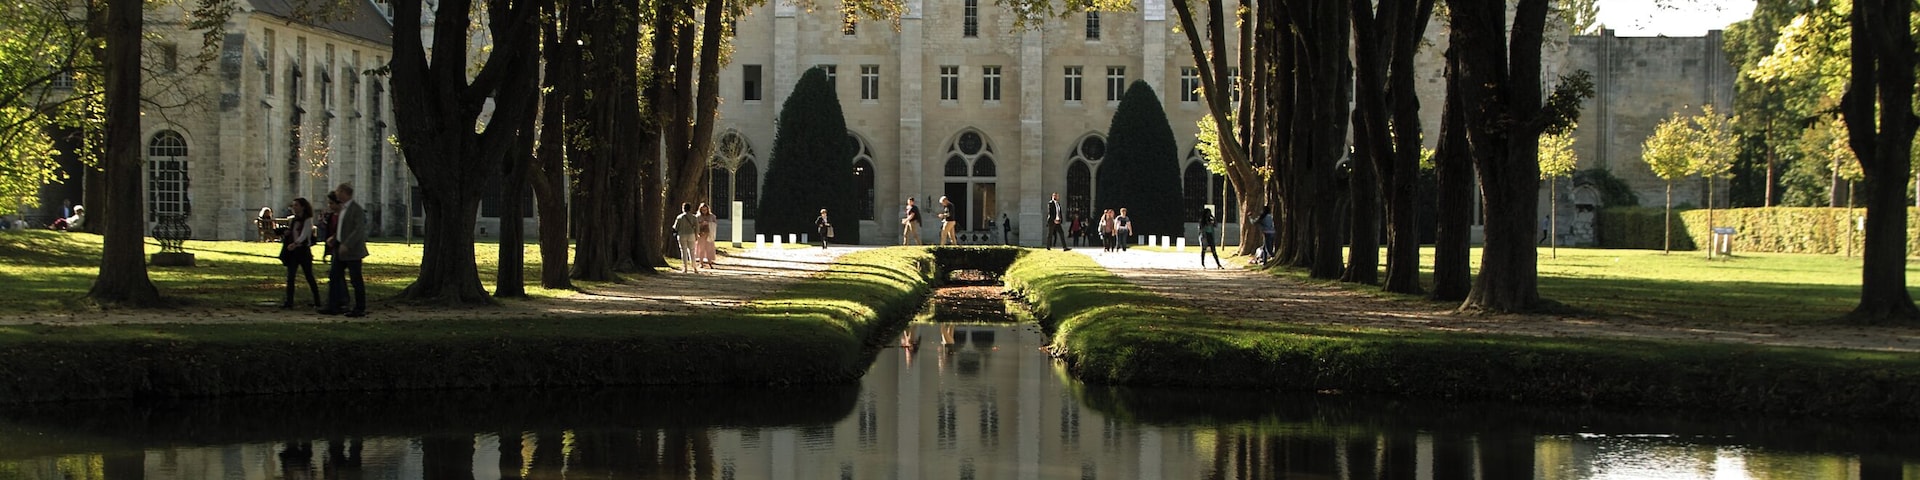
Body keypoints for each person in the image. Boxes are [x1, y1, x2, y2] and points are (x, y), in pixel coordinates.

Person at [319, 183, 368, 317]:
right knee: (334, 276)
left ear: (345, 193)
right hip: (339, 248)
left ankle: (360, 308)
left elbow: (358, 230)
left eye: (338, 191)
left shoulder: (356, 209)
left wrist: (347, 244)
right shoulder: (343, 209)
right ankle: (333, 306)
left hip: (353, 251)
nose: (336, 194)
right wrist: (334, 238)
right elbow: (342, 228)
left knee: (356, 279)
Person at [279, 198, 323, 308]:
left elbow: (304, 235)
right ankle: (289, 302)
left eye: (296, 205)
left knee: (309, 276)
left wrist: (295, 244)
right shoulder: (293, 220)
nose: (294, 207)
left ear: (303, 207)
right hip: (293, 252)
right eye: (293, 205)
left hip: (303, 251)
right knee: (290, 276)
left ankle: (317, 301)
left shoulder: (308, 220)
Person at [672, 202, 701, 273]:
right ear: (690, 208)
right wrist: (696, 235)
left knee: (683, 251)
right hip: (691, 235)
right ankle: (694, 267)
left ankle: (685, 268)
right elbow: (697, 227)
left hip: (682, 235)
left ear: (683, 208)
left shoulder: (679, 217)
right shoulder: (694, 217)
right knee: (692, 251)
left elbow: (675, 227)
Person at [696, 203, 719, 269]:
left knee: (709, 249)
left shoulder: (712, 216)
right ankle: (701, 263)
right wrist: (701, 224)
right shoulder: (698, 217)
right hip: (701, 235)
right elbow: (695, 225)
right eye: (703, 210)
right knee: (701, 249)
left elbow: (715, 224)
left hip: (709, 235)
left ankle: (710, 262)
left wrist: (709, 224)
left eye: (705, 210)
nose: (704, 211)